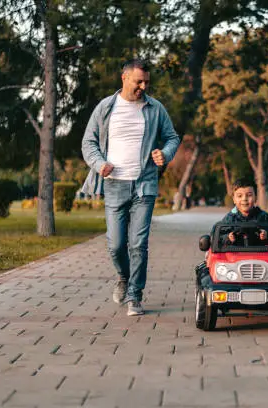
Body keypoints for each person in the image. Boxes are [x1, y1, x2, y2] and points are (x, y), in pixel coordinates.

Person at [81, 59, 181, 316]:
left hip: (144, 185)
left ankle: (135, 295)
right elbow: (88, 142)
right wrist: (99, 163)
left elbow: (172, 137)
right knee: (115, 244)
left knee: (138, 243)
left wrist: (165, 154)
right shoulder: (105, 107)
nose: (143, 86)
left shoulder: (155, 108)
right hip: (114, 185)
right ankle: (123, 278)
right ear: (124, 78)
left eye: (147, 81)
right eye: (139, 81)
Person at [218, 178, 268, 247]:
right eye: (240, 196)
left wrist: (267, 235)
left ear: (255, 197)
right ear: (234, 199)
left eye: (249, 195)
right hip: (235, 255)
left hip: (259, 255)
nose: (244, 199)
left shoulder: (264, 217)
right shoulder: (229, 219)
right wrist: (228, 237)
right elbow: (218, 237)